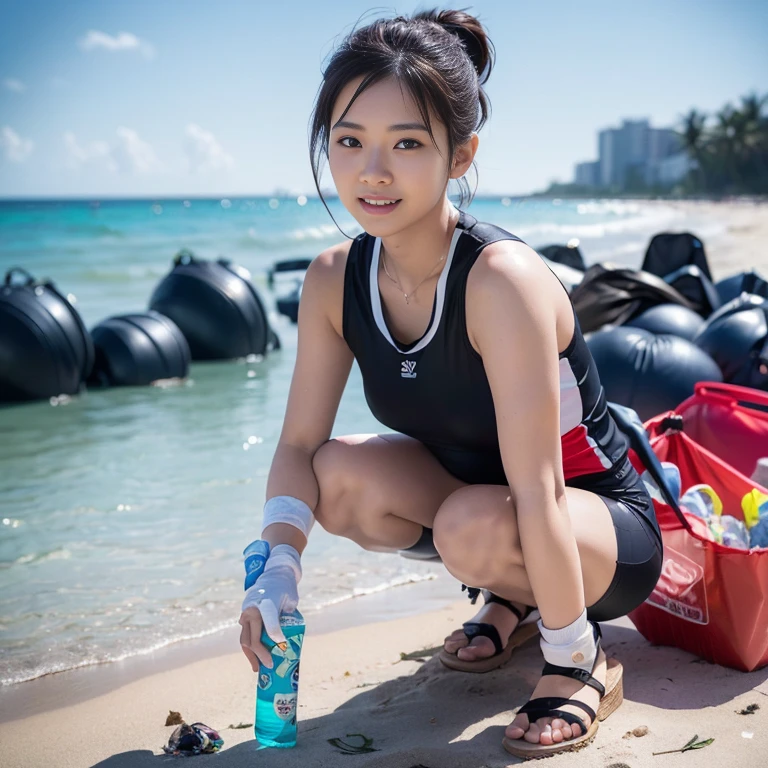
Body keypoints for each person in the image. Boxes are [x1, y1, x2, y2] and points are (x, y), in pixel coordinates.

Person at [238, 8, 663, 760]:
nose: (373, 171)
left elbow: (541, 488)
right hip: (483, 510)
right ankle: (511, 598)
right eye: (349, 141)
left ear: (460, 154)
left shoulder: (501, 282)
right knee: (334, 478)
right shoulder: (334, 281)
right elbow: (299, 445)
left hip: (600, 527)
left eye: (407, 143)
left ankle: (576, 647)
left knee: (473, 523)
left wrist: (567, 657)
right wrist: (274, 569)